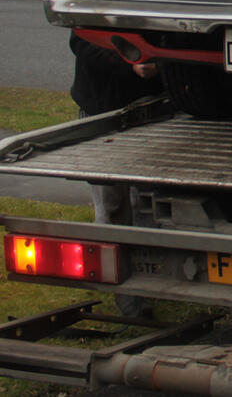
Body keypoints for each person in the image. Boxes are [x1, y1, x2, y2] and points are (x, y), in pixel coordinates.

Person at [70, 31, 162, 318]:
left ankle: (149, 286)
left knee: (147, 204)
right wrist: (129, 65)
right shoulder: (95, 3)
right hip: (104, 111)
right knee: (112, 205)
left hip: (153, 111)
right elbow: (80, 40)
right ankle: (127, 297)